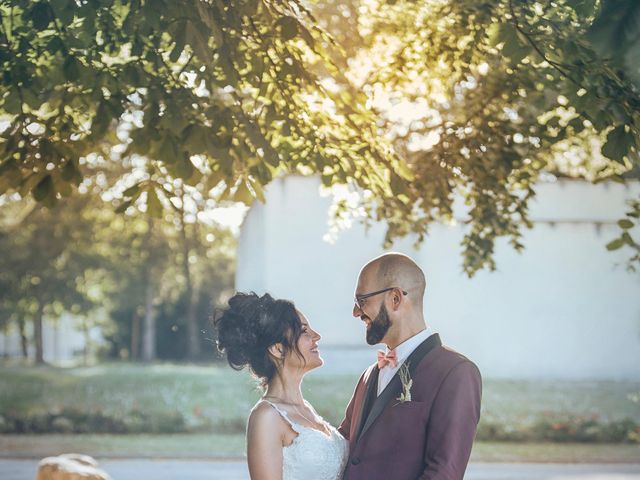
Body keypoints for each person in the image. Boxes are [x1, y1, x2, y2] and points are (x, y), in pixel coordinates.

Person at [339, 252, 482, 480]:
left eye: (362, 301)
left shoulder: (456, 372)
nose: (356, 312)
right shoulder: (369, 375)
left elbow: (444, 473)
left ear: (395, 298)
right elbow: (344, 447)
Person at [214, 292, 348, 480]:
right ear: (278, 349)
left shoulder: (306, 409)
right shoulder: (266, 416)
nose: (316, 336)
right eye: (304, 331)